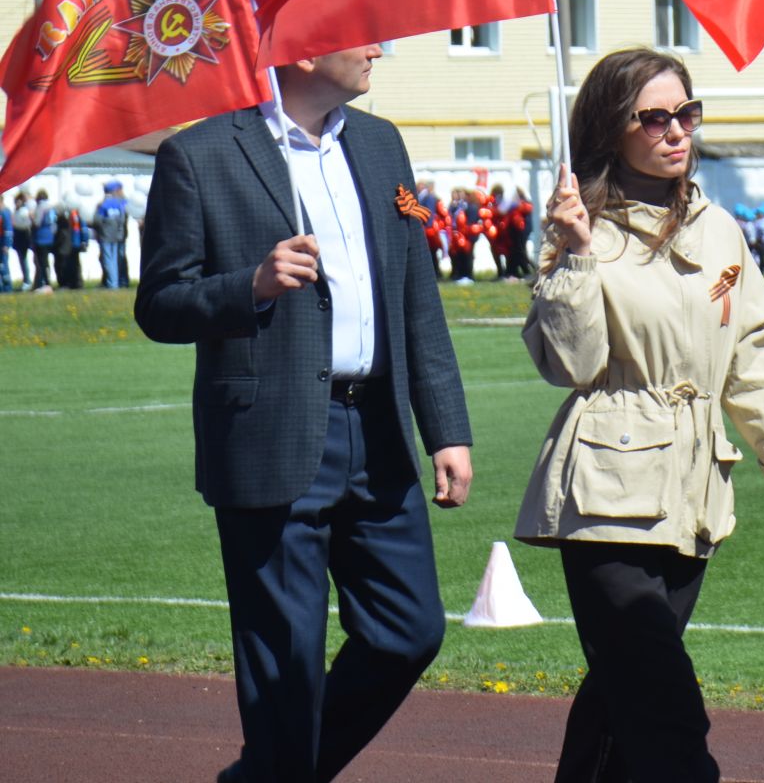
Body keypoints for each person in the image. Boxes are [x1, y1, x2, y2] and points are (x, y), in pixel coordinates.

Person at [132, 43, 473, 783]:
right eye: (364, 32)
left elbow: (417, 297)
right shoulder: (199, 155)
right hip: (271, 435)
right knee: (283, 664)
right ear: (308, 45)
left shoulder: (382, 144)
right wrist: (249, 285)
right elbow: (158, 305)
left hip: (377, 432)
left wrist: (446, 427)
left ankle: (272, 774)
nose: (380, 46)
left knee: (409, 631)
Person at [517, 47, 764, 782]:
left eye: (686, 113)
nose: (675, 131)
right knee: (668, 709)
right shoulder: (580, 225)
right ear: (610, 129)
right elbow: (569, 366)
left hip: (695, 495)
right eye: (653, 117)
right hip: (605, 492)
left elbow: (754, 363)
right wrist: (574, 256)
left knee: (618, 705)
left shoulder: (721, 229)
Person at [93, 181, 130, 289]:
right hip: (118, 235)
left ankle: (113, 284)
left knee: (109, 260)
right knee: (117, 259)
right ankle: (118, 282)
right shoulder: (121, 204)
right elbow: (122, 220)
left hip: (106, 236)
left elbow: (97, 220)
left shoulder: (103, 205)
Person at [31, 189, 55, 291]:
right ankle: (46, 282)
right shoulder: (50, 207)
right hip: (49, 236)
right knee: (46, 261)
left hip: (41, 237)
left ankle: (45, 283)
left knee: (41, 262)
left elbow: (37, 222)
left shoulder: (40, 207)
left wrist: (31, 217)